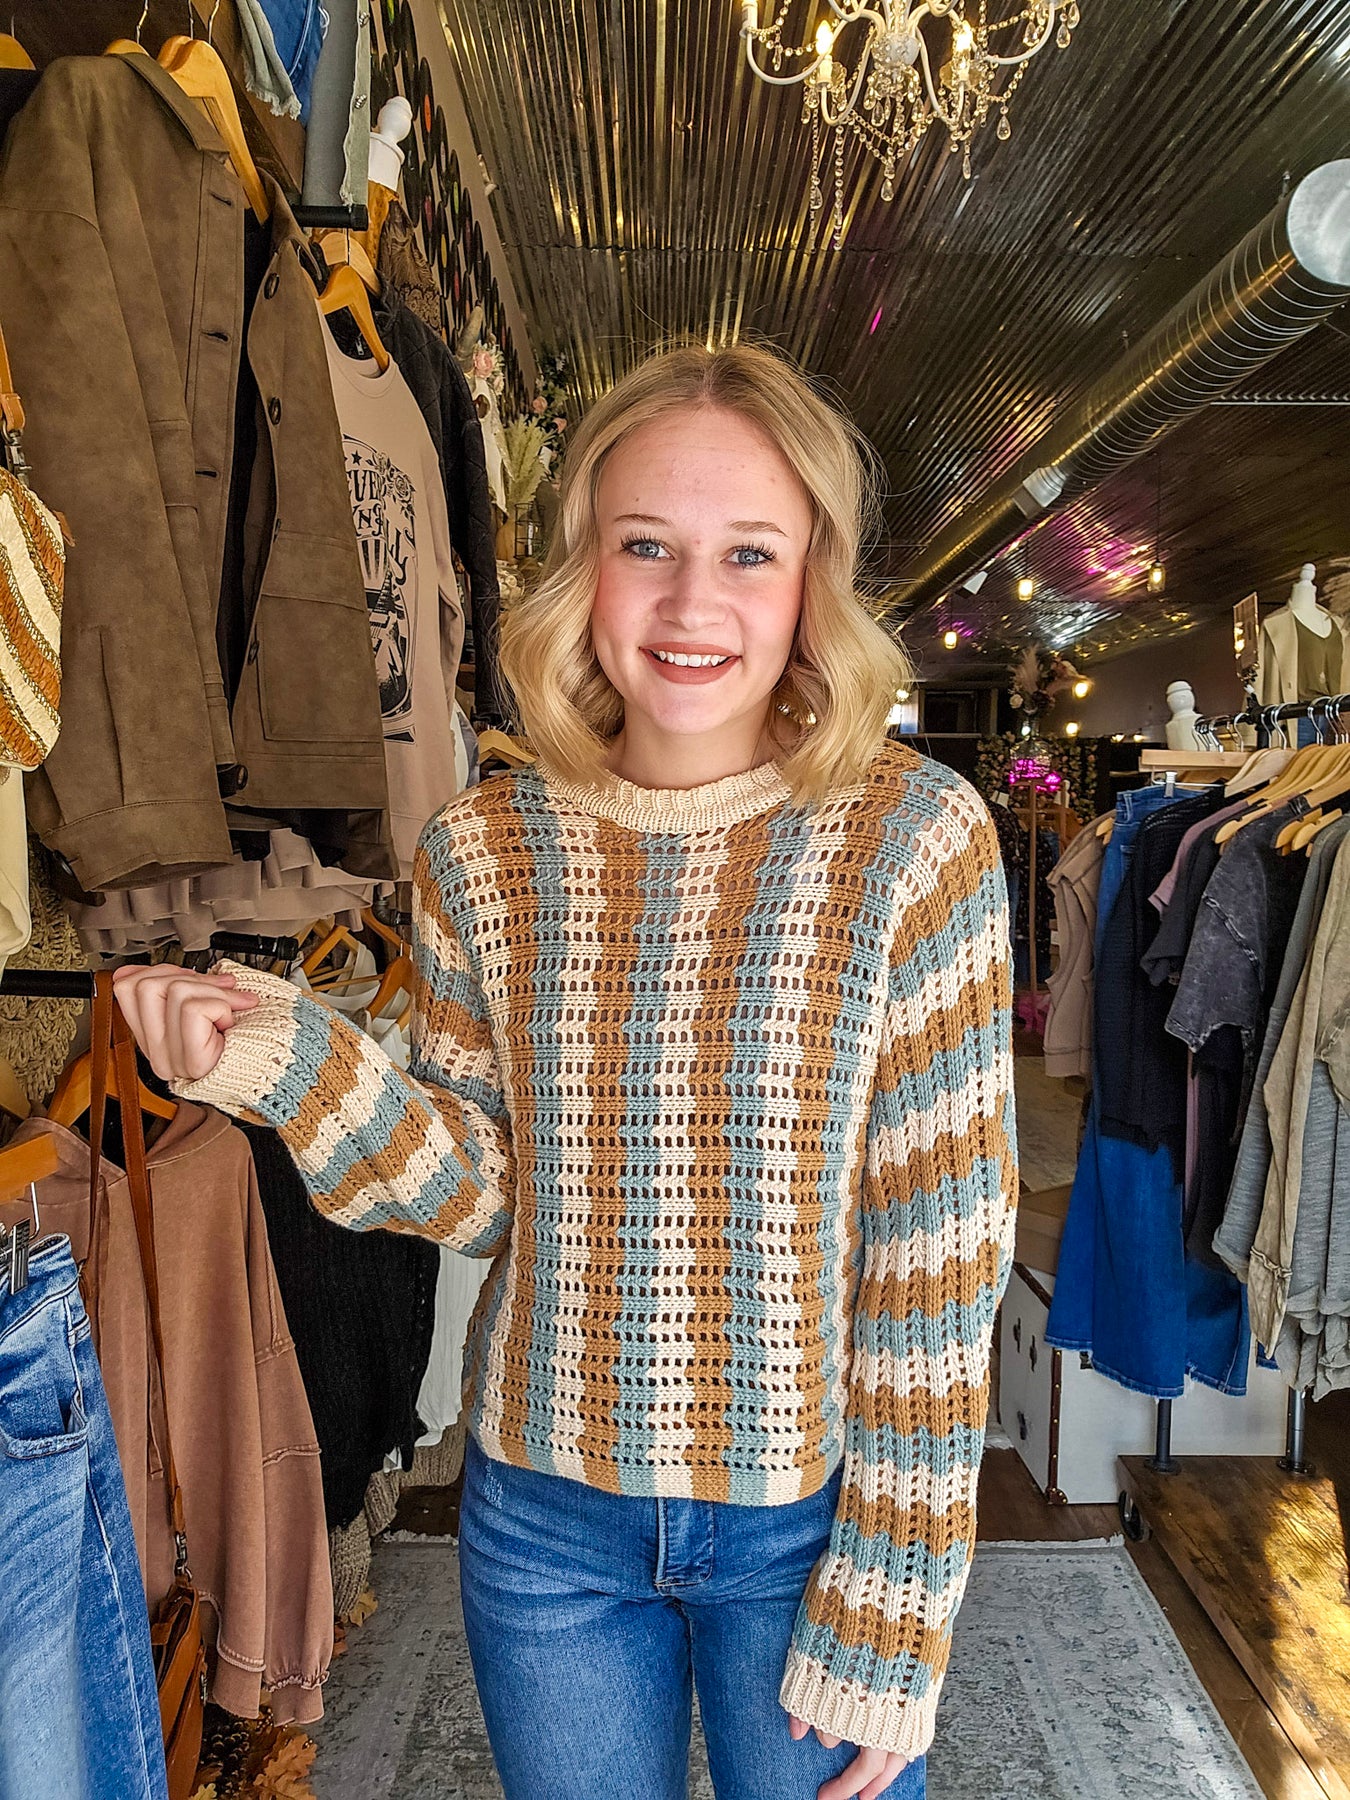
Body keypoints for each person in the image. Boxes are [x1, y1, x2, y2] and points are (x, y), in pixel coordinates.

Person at [115, 342, 1017, 1800]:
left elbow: (940, 1255)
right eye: (644, 544)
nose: (691, 603)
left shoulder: (915, 839)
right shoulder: (482, 846)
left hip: (802, 1525)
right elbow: (484, 1189)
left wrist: (898, 1606)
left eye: (749, 552)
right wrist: (286, 1061)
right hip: (545, 1520)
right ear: (581, 566)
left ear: (813, 580)